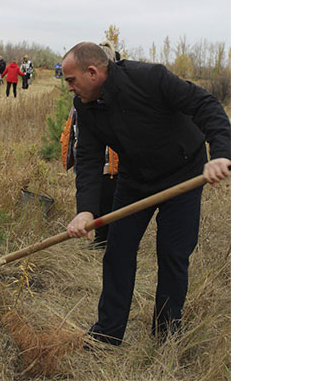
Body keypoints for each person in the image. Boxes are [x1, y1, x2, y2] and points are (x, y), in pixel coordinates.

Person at [63, 41, 231, 346]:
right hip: (135, 180)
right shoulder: (85, 108)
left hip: (183, 173)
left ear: (91, 72)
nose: (70, 88)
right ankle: (107, 333)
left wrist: (220, 153)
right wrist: (86, 209)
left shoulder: (149, 78)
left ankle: (166, 334)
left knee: (172, 253)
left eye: (71, 80)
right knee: (117, 253)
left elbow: (205, 105)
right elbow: (87, 158)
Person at [60, 41, 121, 250]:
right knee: (96, 192)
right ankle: (101, 238)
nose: (70, 88)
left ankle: (107, 239)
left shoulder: (121, 91)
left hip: (110, 157)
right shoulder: (83, 97)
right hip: (92, 153)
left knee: (109, 197)